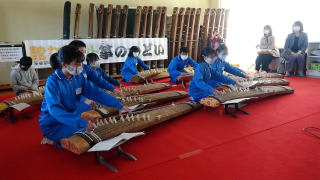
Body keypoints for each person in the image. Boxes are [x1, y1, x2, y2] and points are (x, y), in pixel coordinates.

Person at [39, 45, 131, 146]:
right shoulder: (53, 81)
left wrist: (119, 105)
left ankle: (59, 138)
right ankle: (53, 139)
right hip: (53, 123)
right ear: (64, 64)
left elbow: (96, 92)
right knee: (87, 136)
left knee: (94, 130)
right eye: (77, 64)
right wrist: (80, 122)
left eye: (81, 63)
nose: (80, 66)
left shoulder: (78, 77)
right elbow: (55, 110)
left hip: (71, 117)